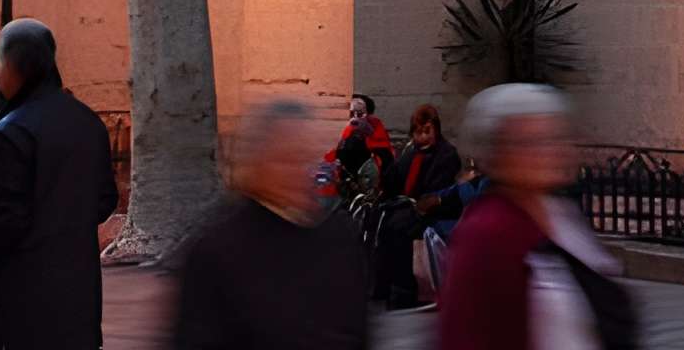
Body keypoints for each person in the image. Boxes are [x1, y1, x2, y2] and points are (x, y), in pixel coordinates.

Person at [437, 83, 631, 350]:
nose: (551, 151)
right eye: (530, 142)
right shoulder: (485, 233)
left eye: (556, 136)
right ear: (497, 154)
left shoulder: (562, 214)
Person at [168, 97, 369, 350]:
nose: (300, 171)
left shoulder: (339, 237)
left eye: (306, 157)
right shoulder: (217, 250)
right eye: (285, 160)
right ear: (255, 165)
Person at [0, 18, 119, 350]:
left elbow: (0, 214)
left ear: (14, 66)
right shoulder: (88, 123)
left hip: (23, 288)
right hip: (78, 285)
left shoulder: (13, 131)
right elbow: (105, 199)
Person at [371, 103, 464, 309]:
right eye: (418, 132)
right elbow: (394, 181)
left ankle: (405, 288)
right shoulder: (410, 152)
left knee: (399, 227)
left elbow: (439, 190)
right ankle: (381, 282)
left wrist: (417, 203)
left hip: (434, 210)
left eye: (427, 131)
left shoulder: (446, 155)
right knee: (379, 217)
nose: (422, 137)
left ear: (436, 130)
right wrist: (386, 163)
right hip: (409, 205)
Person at [318, 93, 390, 195]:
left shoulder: (376, 130)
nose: (354, 118)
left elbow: (383, 160)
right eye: (351, 113)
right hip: (346, 183)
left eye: (359, 113)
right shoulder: (349, 129)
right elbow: (337, 152)